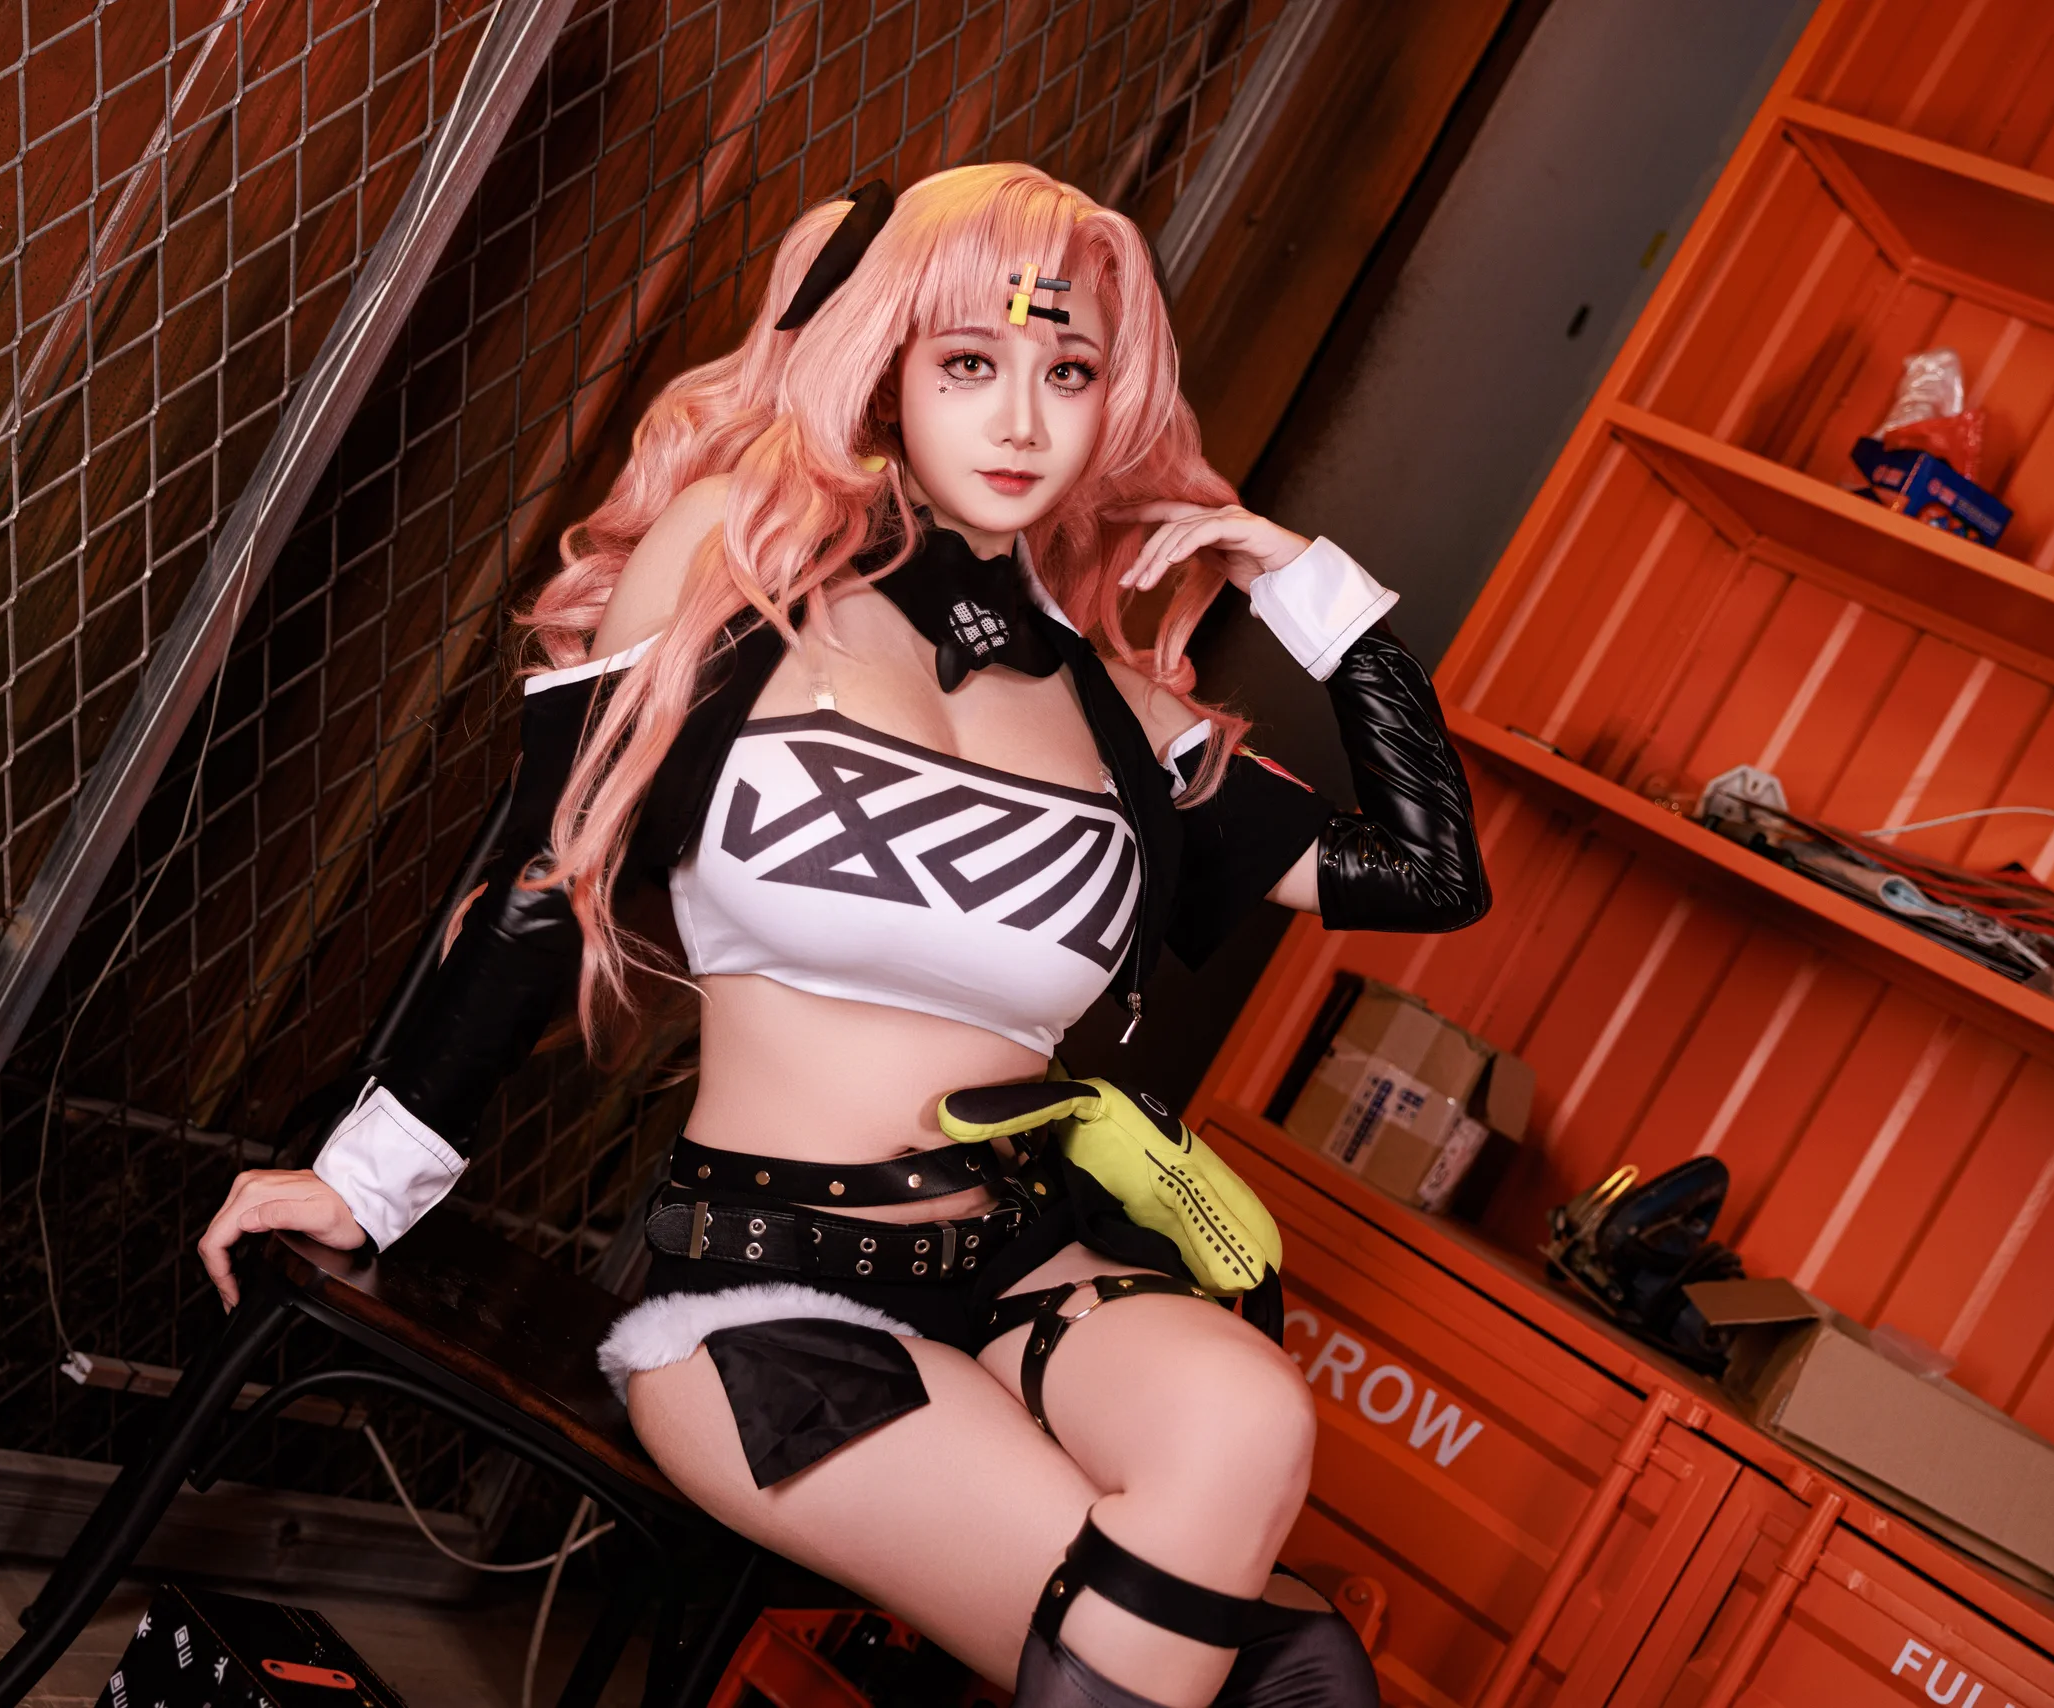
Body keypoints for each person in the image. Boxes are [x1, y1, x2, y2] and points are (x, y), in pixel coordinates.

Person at [198, 163, 1487, 1708]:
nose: (1023, 420)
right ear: (890, 371)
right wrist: (364, 1181)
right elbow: (554, 880)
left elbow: (1426, 872)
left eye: (1070, 373)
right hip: (769, 1291)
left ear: (1115, 405)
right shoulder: (739, 571)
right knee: (1275, 1667)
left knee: (1253, 1422)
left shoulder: (1125, 719)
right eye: (973, 362)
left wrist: (1308, 588)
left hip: (1024, 1268)